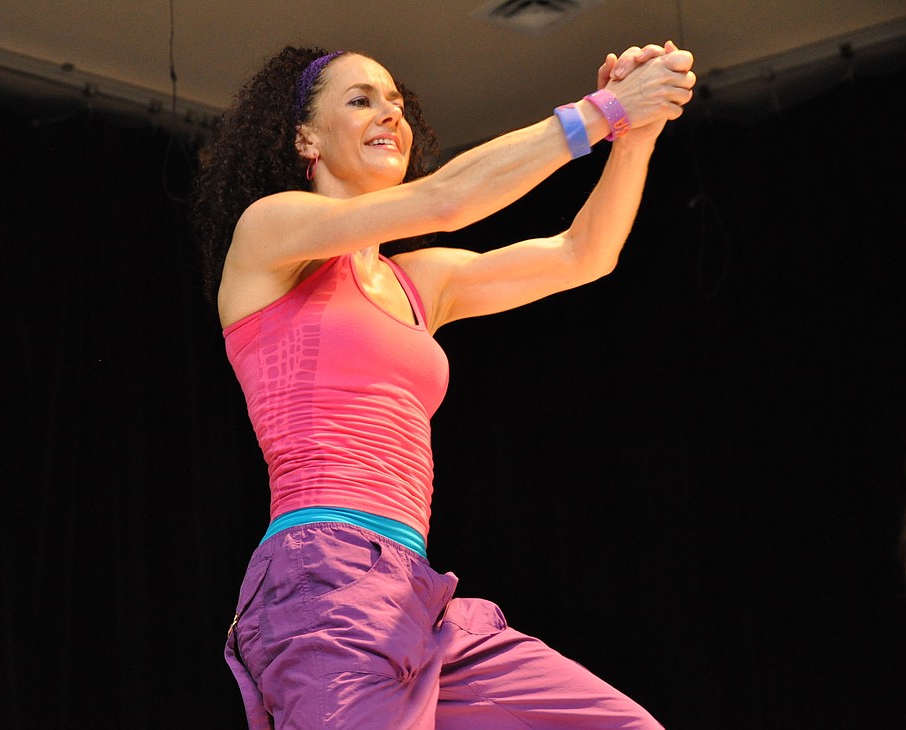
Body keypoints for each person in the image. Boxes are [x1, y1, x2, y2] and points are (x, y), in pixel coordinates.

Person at [193, 41, 695, 729]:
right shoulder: (269, 233)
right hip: (321, 579)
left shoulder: (417, 282)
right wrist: (603, 110)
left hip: (416, 597)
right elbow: (447, 198)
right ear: (304, 136)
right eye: (361, 99)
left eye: (397, 104)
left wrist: (636, 135)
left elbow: (586, 254)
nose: (389, 115)